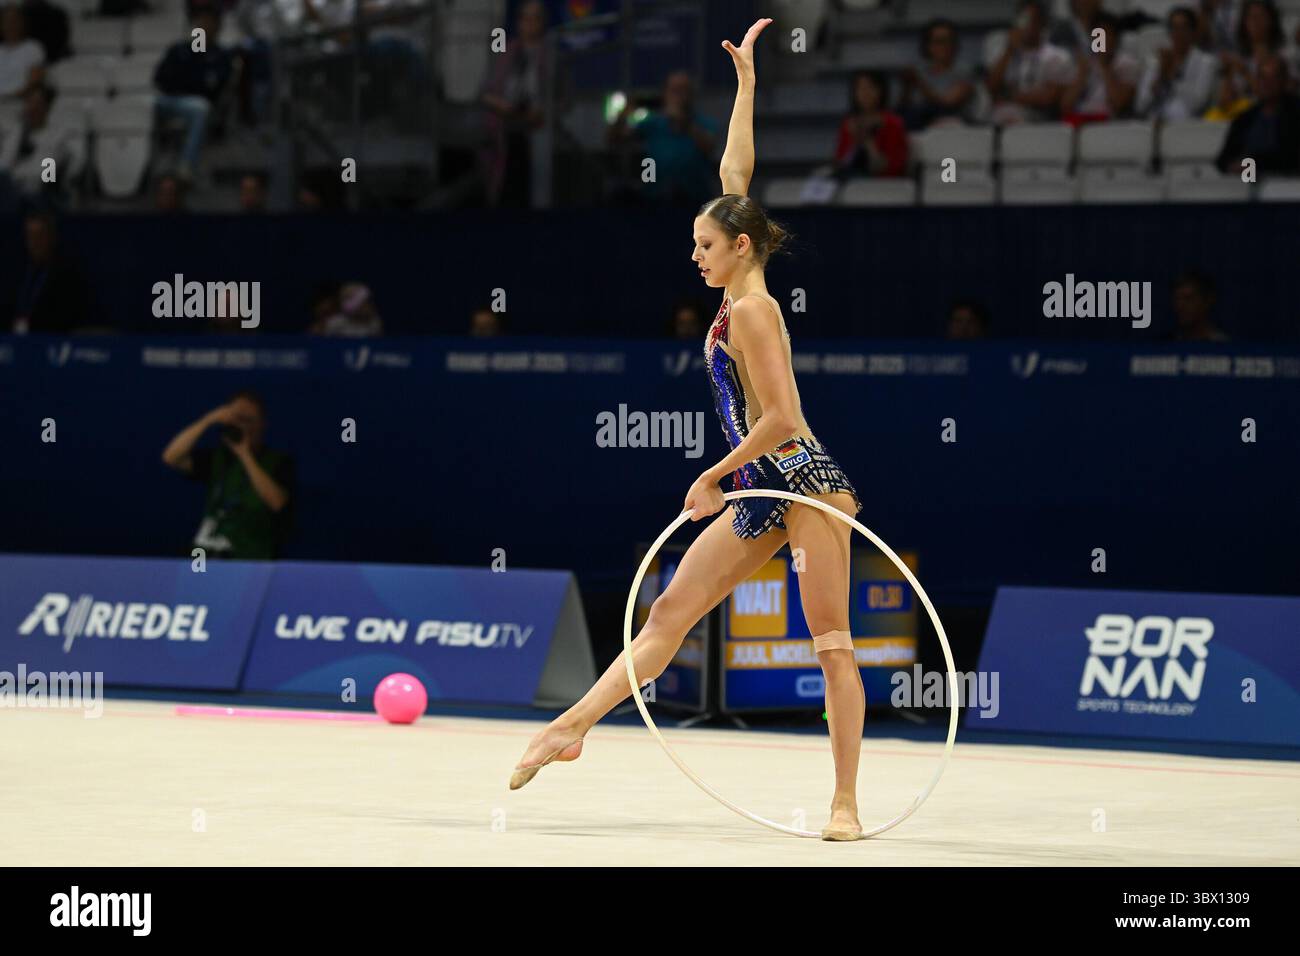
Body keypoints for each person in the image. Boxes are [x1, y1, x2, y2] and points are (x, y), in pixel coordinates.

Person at [509, 18, 870, 843]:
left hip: (804, 482)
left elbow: (781, 421)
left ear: (739, 247)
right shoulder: (742, 278)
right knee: (669, 610)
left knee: (832, 646)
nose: (694, 256)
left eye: (705, 245)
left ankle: (845, 801)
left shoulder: (754, 311)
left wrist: (714, 474)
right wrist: (745, 88)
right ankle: (572, 727)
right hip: (760, 490)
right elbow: (733, 173)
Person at [161, 391, 294, 560]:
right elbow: (171, 457)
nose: (243, 426)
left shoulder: (279, 462)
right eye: (238, 418)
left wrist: (245, 454)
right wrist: (208, 420)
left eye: (249, 420)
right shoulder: (217, 458)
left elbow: (276, 502)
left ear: (262, 424)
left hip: (249, 556)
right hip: (203, 553)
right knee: (193, 575)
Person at [608, 70, 720, 204]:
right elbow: (614, 139)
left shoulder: (705, 123)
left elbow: (709, 147)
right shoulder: (653, 123)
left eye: (683, 90)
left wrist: (683, 122)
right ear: (665, 94)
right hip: (655, 200)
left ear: (692, 94)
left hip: (695, 201)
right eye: (674, 90)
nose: (679, 96)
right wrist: (625, 111)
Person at [478, 0, 550, 207]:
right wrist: (501, 105)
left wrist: (542, 113)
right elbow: (485, 92)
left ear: (542, 23)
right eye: (525, 18)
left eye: (535, 18)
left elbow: (563, 98)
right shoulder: (504, 53)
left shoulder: (552, 55)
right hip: (505, 130)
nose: (529, 24)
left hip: (537, 132)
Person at [153, 6, 237, 180]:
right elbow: (160, 79)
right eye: (201, 23)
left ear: (217, 28)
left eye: (209, 23)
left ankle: (186, 166)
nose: (204, 27)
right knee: (137, 106)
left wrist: (189, 78)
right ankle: (147, 165)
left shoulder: (221, 56)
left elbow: (212, 89)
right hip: (170, 100)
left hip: (196, 104)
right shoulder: (179, 50)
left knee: (200, 108)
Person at [986, 0, 1075, 125]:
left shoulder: (1057, 56)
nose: (1026, 26)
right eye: (1022, 20)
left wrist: (1009, 97)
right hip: (1002, 117)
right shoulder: (1004, 52)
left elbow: (1049, 98)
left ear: (1042, 24)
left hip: (1039, 119)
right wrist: (1009, 50)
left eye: (1031, 20)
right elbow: (991, 87)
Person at [9, 207, 89, 333]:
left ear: (52, 237)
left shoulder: (66, 274)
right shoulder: (18, 272)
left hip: (50, 340)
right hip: (17, 340)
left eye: (39, 236)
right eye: (30, 236)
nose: (35, 243)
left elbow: (68, 317)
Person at [1216, 55, 1300, 173]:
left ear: (1284, 81)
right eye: (1263, 78)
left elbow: (1291, 158)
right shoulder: (1245, 118)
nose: (1267, 84)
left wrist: (1255, 164)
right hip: (1244, 184)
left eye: (1273, 78)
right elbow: (1223, 160)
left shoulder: (1295, 114)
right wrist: (1234, 166)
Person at [1135, 6, 1219, 120]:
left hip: (1189, 127)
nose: (1178, 33)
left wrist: (1170, 77)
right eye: (1174, 28)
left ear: (1193, 32)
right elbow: (1141, 105)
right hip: (1153, 124)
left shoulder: (1207, 62)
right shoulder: (1156, 62)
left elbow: (1198, 103)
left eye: (1184, 28)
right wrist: (1161, 76)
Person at [1059, 11, 1140, 123]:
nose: (1102, 40)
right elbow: (1066, 105)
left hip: (1110, 123)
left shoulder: (1128, 64)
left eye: (1106, 34)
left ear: (1116, 37)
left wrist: (1105, 67)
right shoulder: (1085, 63)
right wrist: (1082, 75)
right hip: (1081, 119)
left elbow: (1119, 104)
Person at [898, 18, 975, 129]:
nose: (944, 46)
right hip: (918, 128)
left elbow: (947, 104)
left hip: (953, 128)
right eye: (938, 41)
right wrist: (907, 86)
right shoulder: (918, 70)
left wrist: (918, 82)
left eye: (949, 40)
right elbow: (903, 107)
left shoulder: (965, 70)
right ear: (928, 45)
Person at [833, 70, 908, 176]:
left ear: (880, 91)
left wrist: (868, 143)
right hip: (851, 181)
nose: (865, 93)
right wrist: (854, 141)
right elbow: (840, 164)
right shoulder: (849, 123)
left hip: (883, 184)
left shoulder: (893, 124)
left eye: (870, 88)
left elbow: (893, 168)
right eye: (860, 88)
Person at [1168, 270, 1228, 340]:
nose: (1180, 306)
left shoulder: (1223, 346)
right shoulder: (1166, 345)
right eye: (1177, 299)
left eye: (1188, 299)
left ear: (1207, 301)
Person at [0, 4, 44, 99]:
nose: (10, 25)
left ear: (22, 23)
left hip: (19, 103)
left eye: (14, 21)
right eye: (6, 21)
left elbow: (34, 82)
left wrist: (11, 97)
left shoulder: (33, 48)